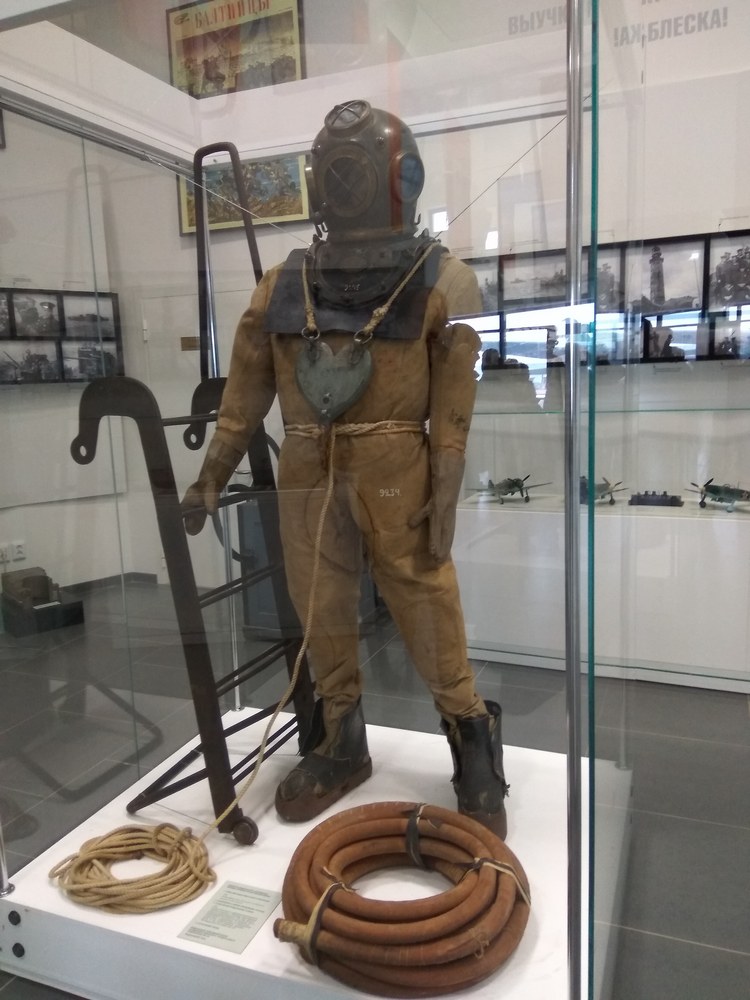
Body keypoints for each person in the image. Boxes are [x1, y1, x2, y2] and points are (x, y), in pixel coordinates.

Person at [182, 100, 509, 837]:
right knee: (320, 606)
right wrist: (212, 475)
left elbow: (453, 406)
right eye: (337, 167)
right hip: (308, 468)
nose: (346, 179)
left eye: (355, 167)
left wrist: (447, 488)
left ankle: (471, 734)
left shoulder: (441, 280)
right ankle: (339, 739)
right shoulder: (282, 286)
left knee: (425, 600)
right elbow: (243, 398)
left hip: (398, 474)